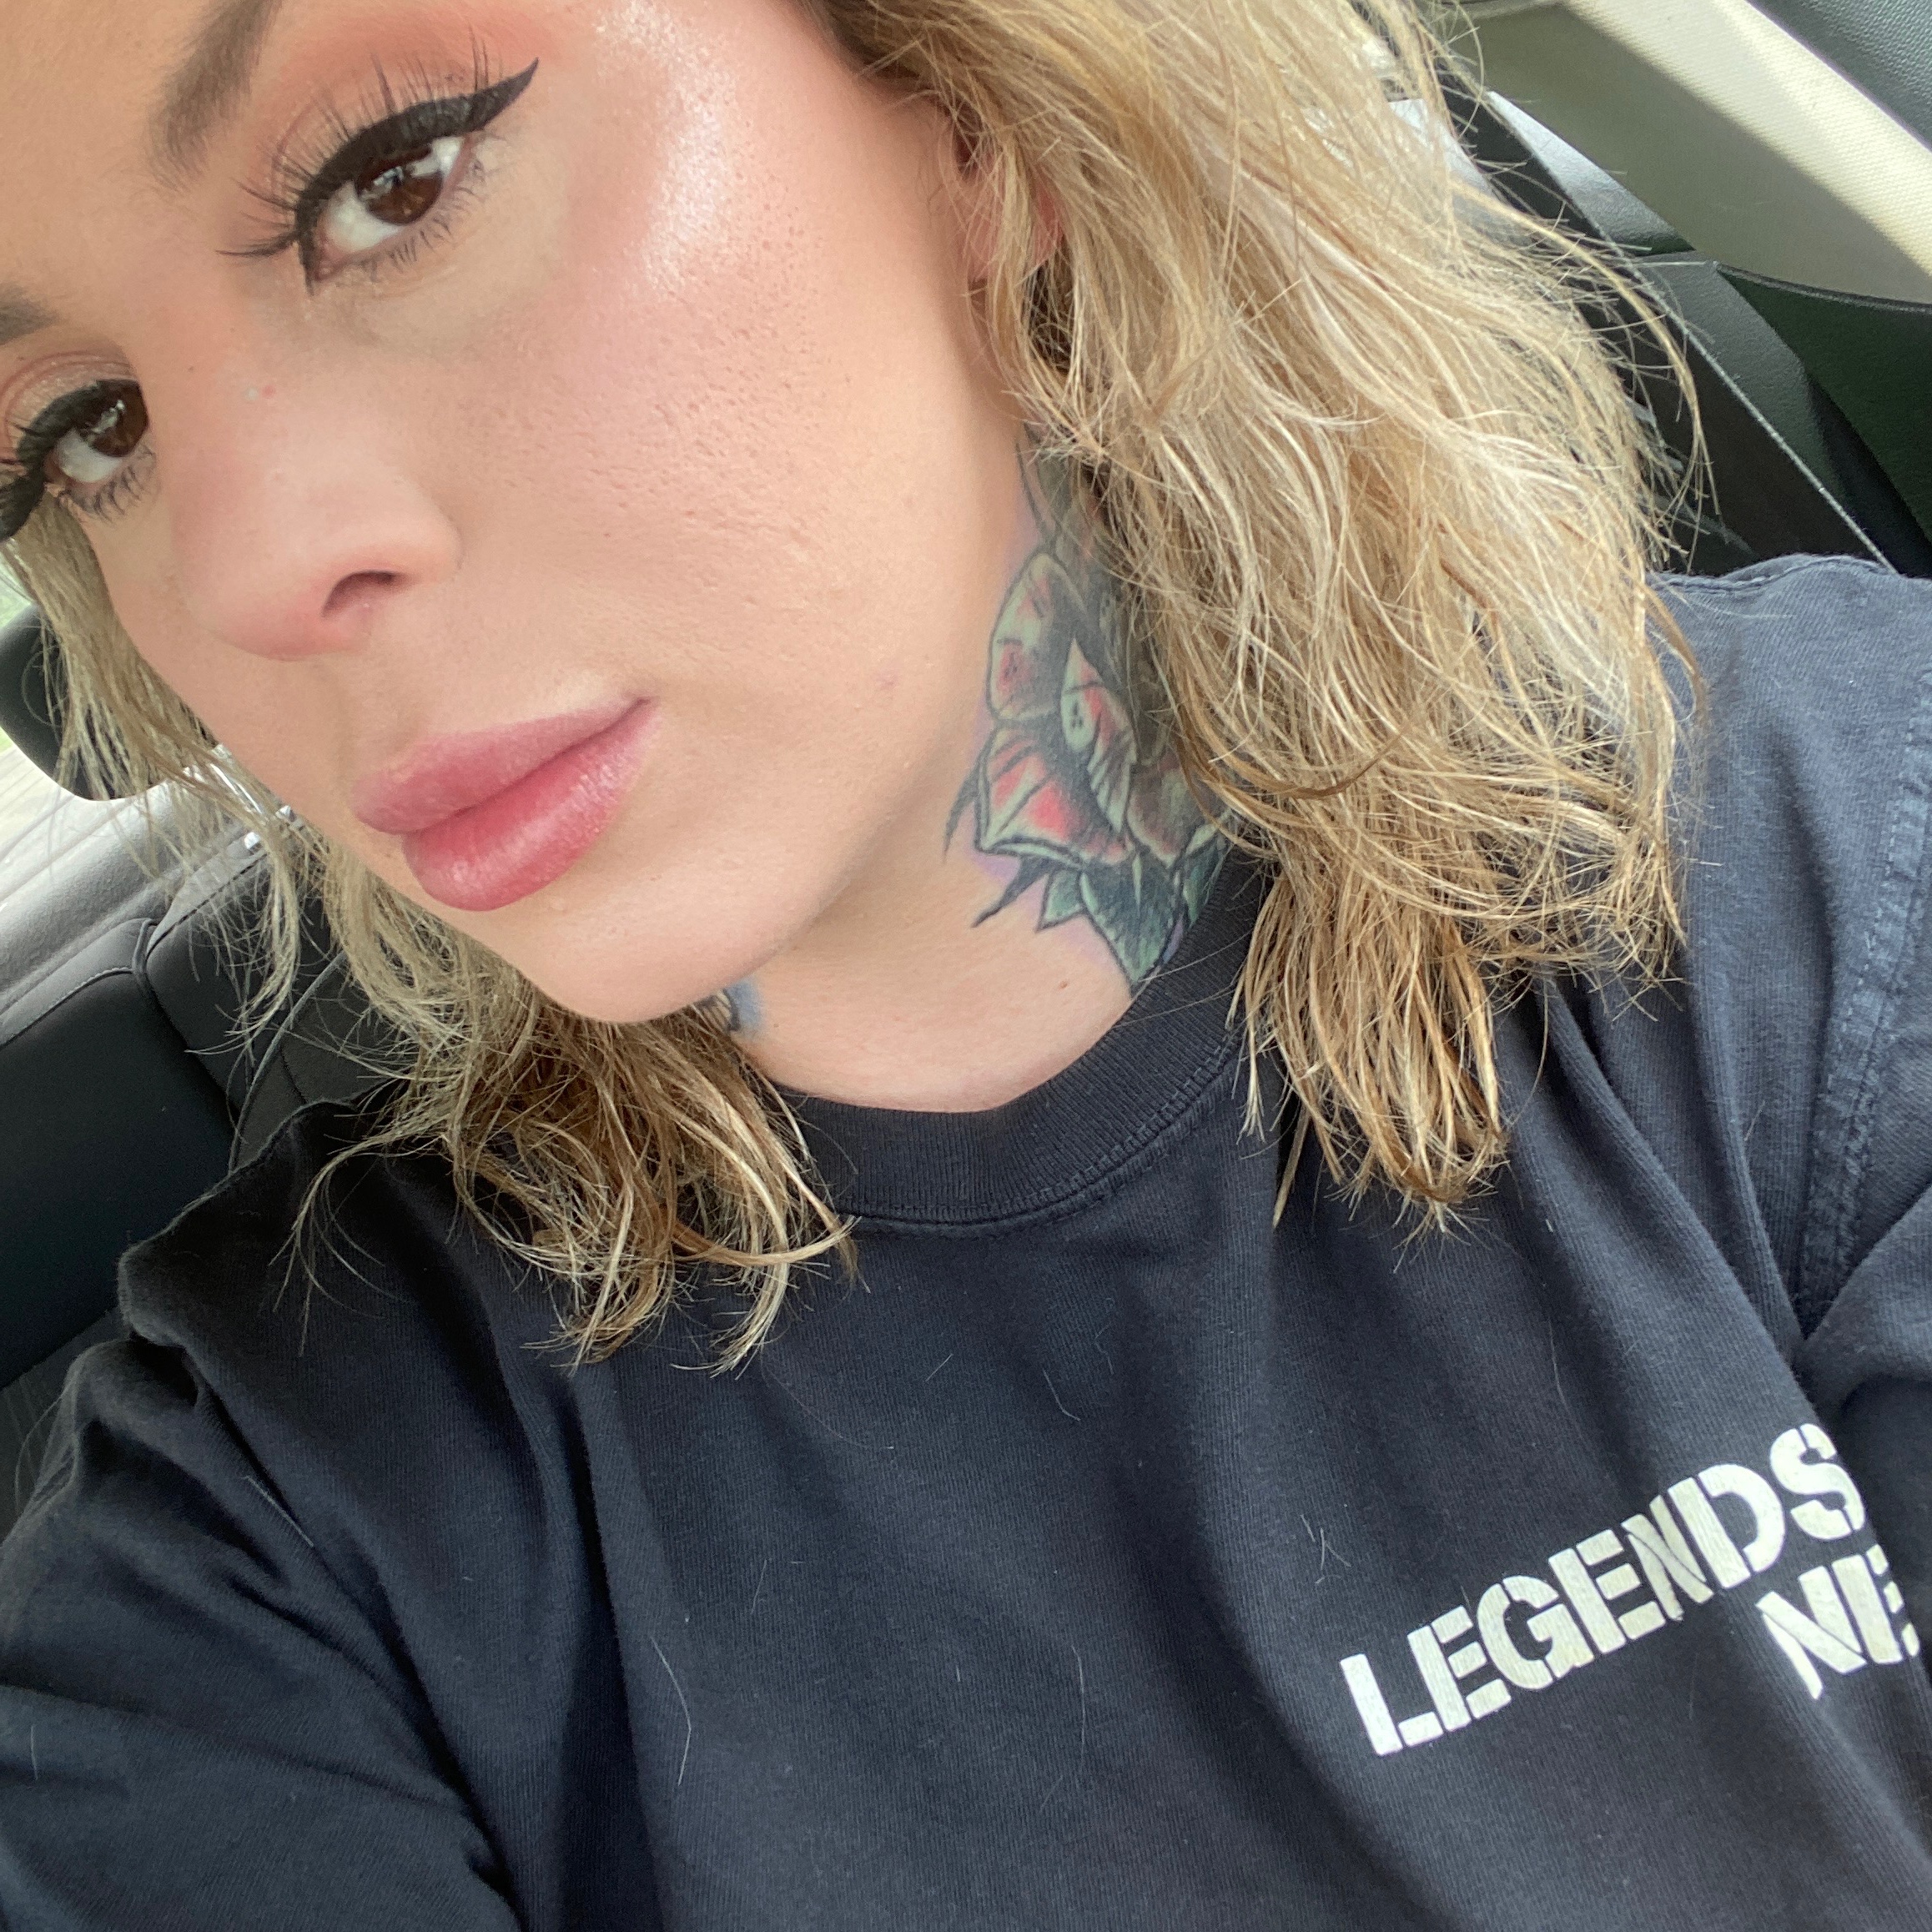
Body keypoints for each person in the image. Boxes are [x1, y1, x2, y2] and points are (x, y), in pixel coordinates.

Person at [0, 0, 1928, 1923]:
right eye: (93, 429)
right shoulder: (274, 1523)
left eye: (397, 178)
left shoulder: (1837, 872)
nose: (245, 573)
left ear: (978, 118)